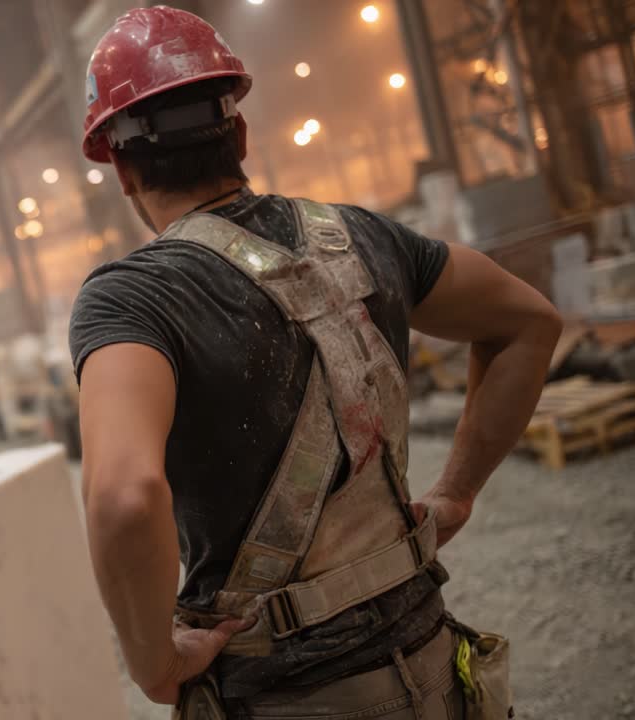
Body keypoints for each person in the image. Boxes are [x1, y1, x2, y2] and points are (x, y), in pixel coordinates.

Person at [69, 8, 561, 719]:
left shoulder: (135, 299)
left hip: (281, 696)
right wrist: (456, 494)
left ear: (119, 168)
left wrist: (155, 665)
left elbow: (121, 498)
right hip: (434, 672)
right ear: (238, 133)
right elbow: (530, 322)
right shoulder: (362, 237)